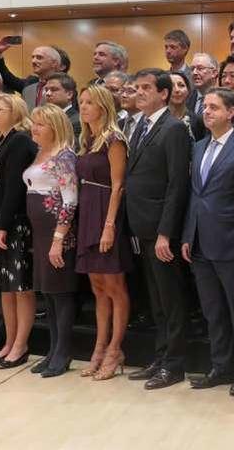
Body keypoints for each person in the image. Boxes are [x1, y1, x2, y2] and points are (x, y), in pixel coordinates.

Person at [182, 87, 234, 397]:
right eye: (205, 106)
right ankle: (220, 366)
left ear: (231, 112)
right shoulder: (198, 146)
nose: (207, 111)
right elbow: (194, 195)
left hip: (231, 241)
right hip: (199, 240)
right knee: (213, 310)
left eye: (214, 107)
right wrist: (188, 234)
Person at [124, 69, 192, 390]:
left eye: (146, 88)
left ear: (164, 94)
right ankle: (161, 356)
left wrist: (166, 232)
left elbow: (177, 184)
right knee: (156, 300)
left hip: (162, 231)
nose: (139, 93)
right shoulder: (140, 125)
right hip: (141, 226)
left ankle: (175, 364)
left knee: (171, 300)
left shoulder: (174, 128)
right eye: (137, 88)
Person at [76, 85, 134, 380]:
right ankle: (98, 348)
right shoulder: (86, 140)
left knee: (114, 287)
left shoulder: (114, 139)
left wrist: (109, 226)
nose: (83, 107)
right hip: (87, 212)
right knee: (97, 288)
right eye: (81, 102)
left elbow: (118, 186)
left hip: (106, 214)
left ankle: (115, 349)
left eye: (89, 102)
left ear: (103, 106)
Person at [0, 94, 38, 368]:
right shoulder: (1, 141)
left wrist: (3, 225)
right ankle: (9, 341)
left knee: (20, 286)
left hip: (13, 222)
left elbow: (14, 187)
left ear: (16, 112)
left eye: (0, 109)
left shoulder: (20, 140)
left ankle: (21, 344)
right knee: (4, 286)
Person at [24, 104, 78, 378]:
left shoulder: (64, 156)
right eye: (34, 123)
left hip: (57, 233)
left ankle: (63, 352)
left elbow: (70, 201)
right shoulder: (39, 152)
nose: (34, 128)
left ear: (55, 127)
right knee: (48, 293)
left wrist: (58, 239)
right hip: (40, 232)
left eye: (40, 124)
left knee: (61, 293)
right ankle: (53, 349)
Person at [187, 53, 220, 141]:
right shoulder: (186, 98)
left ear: (214, 73)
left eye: (200, 68)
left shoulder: (223, 98)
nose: (194, 72)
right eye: (192, 69)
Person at [169, 71, 193, 136]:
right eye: (171, 86)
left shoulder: (198, 121)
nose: (177, 90)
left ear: (188, 90)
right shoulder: (157, 120)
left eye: (181, 85)